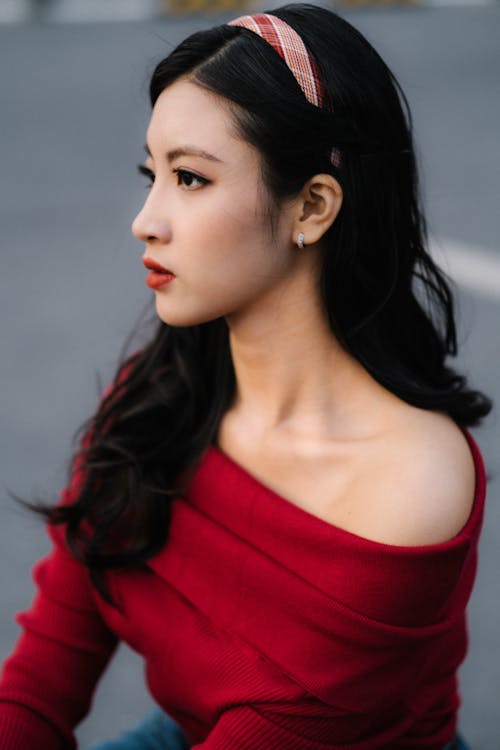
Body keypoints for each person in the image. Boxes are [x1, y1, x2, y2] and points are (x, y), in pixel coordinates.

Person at [0, 4, 492, 748]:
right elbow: (38, 686)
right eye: (151, 174)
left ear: (314, 206)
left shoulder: (411, 487)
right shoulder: (157, 397)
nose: (146, 220)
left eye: (191, 179)